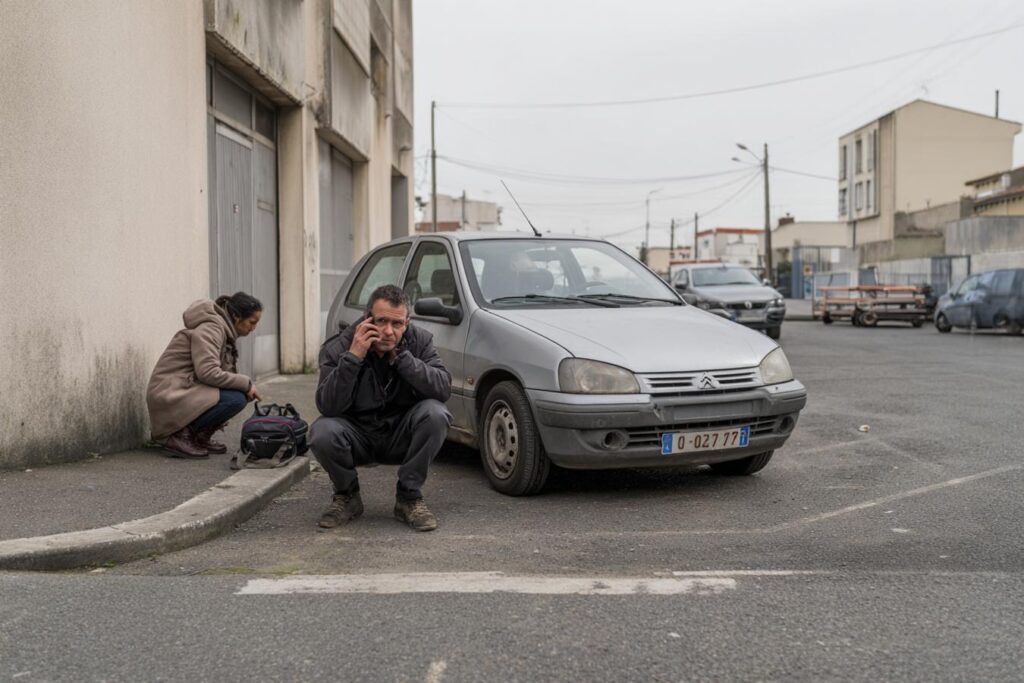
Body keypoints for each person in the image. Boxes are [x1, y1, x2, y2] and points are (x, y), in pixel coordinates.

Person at [310, 284, 452, 532]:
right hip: (358, 436)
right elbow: (327, 405)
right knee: (322, 431)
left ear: (407, 323)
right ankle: (347, 496)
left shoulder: (420, 342)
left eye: (397, 324)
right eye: (381, 321)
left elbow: (442, 389)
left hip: (401, 435)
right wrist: (353, 357)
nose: (388, 331)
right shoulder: (341, 346)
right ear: (367, 319)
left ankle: (409, 497)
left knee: (436, 413)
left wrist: (402, 358)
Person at [146, 293, 264, 458]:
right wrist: (247, 383)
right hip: (169, 393)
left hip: (184, 388)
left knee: (237, 394)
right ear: (237, 317)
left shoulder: (223, 330)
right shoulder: (212, 329)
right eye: (252, 322)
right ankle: (179, 436)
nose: (253, 328)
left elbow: (218, 374)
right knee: (235, 398)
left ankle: (198, 437)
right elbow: (208, 373)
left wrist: (243, 385)